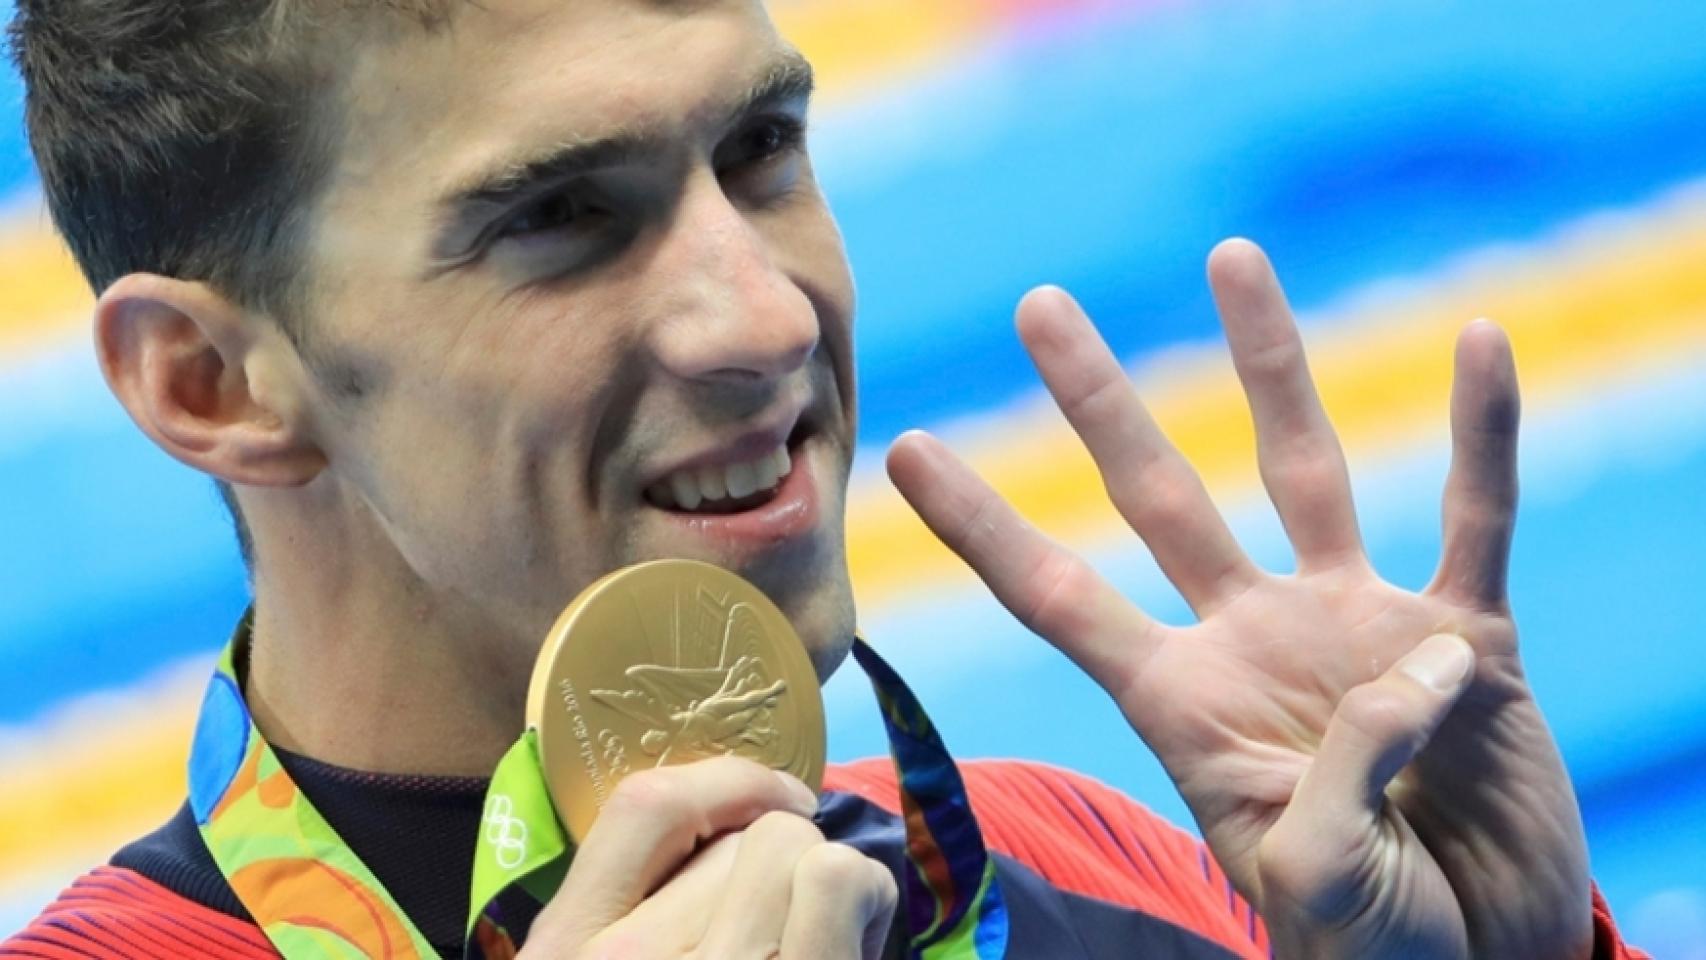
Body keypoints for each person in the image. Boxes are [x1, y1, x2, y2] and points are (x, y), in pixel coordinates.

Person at [0, 0, 1649, 957]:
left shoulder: (1076, 863)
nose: (764, 314)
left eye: (758, 154)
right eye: (561, 221)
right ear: (210, 384)